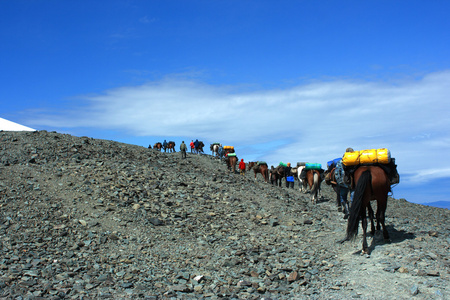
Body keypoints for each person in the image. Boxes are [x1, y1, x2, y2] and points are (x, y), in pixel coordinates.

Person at [335, 147, 354, 219]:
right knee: (353, 197)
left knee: (343, 196)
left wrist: (340, 182)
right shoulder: (355, 161)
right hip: (353, 184)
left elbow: (337, 173)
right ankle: (352, 212)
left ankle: (347, 211)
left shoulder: (341, 161)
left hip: (343, 184)